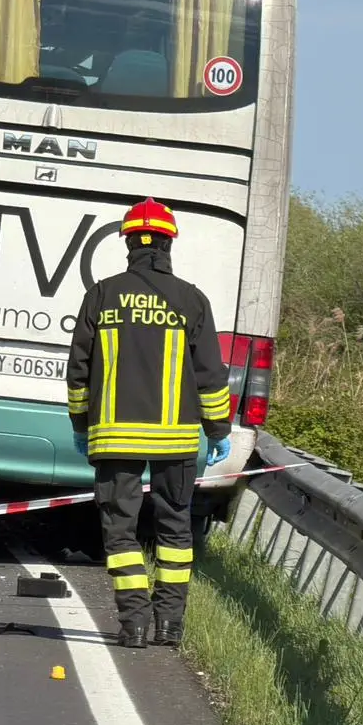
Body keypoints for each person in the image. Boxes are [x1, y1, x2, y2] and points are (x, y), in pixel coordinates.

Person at [64, 197, 232, 650]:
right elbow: (210, 376)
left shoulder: (102, 294)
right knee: (175, 529)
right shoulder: (192, 300)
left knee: (120, 531)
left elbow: (78, 368)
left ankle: (133, 624)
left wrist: (81, 424)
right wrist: (218, 431)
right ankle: (170, 625)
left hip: (114, 436)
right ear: (168, 242)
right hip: (176, 440)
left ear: (128, 244)